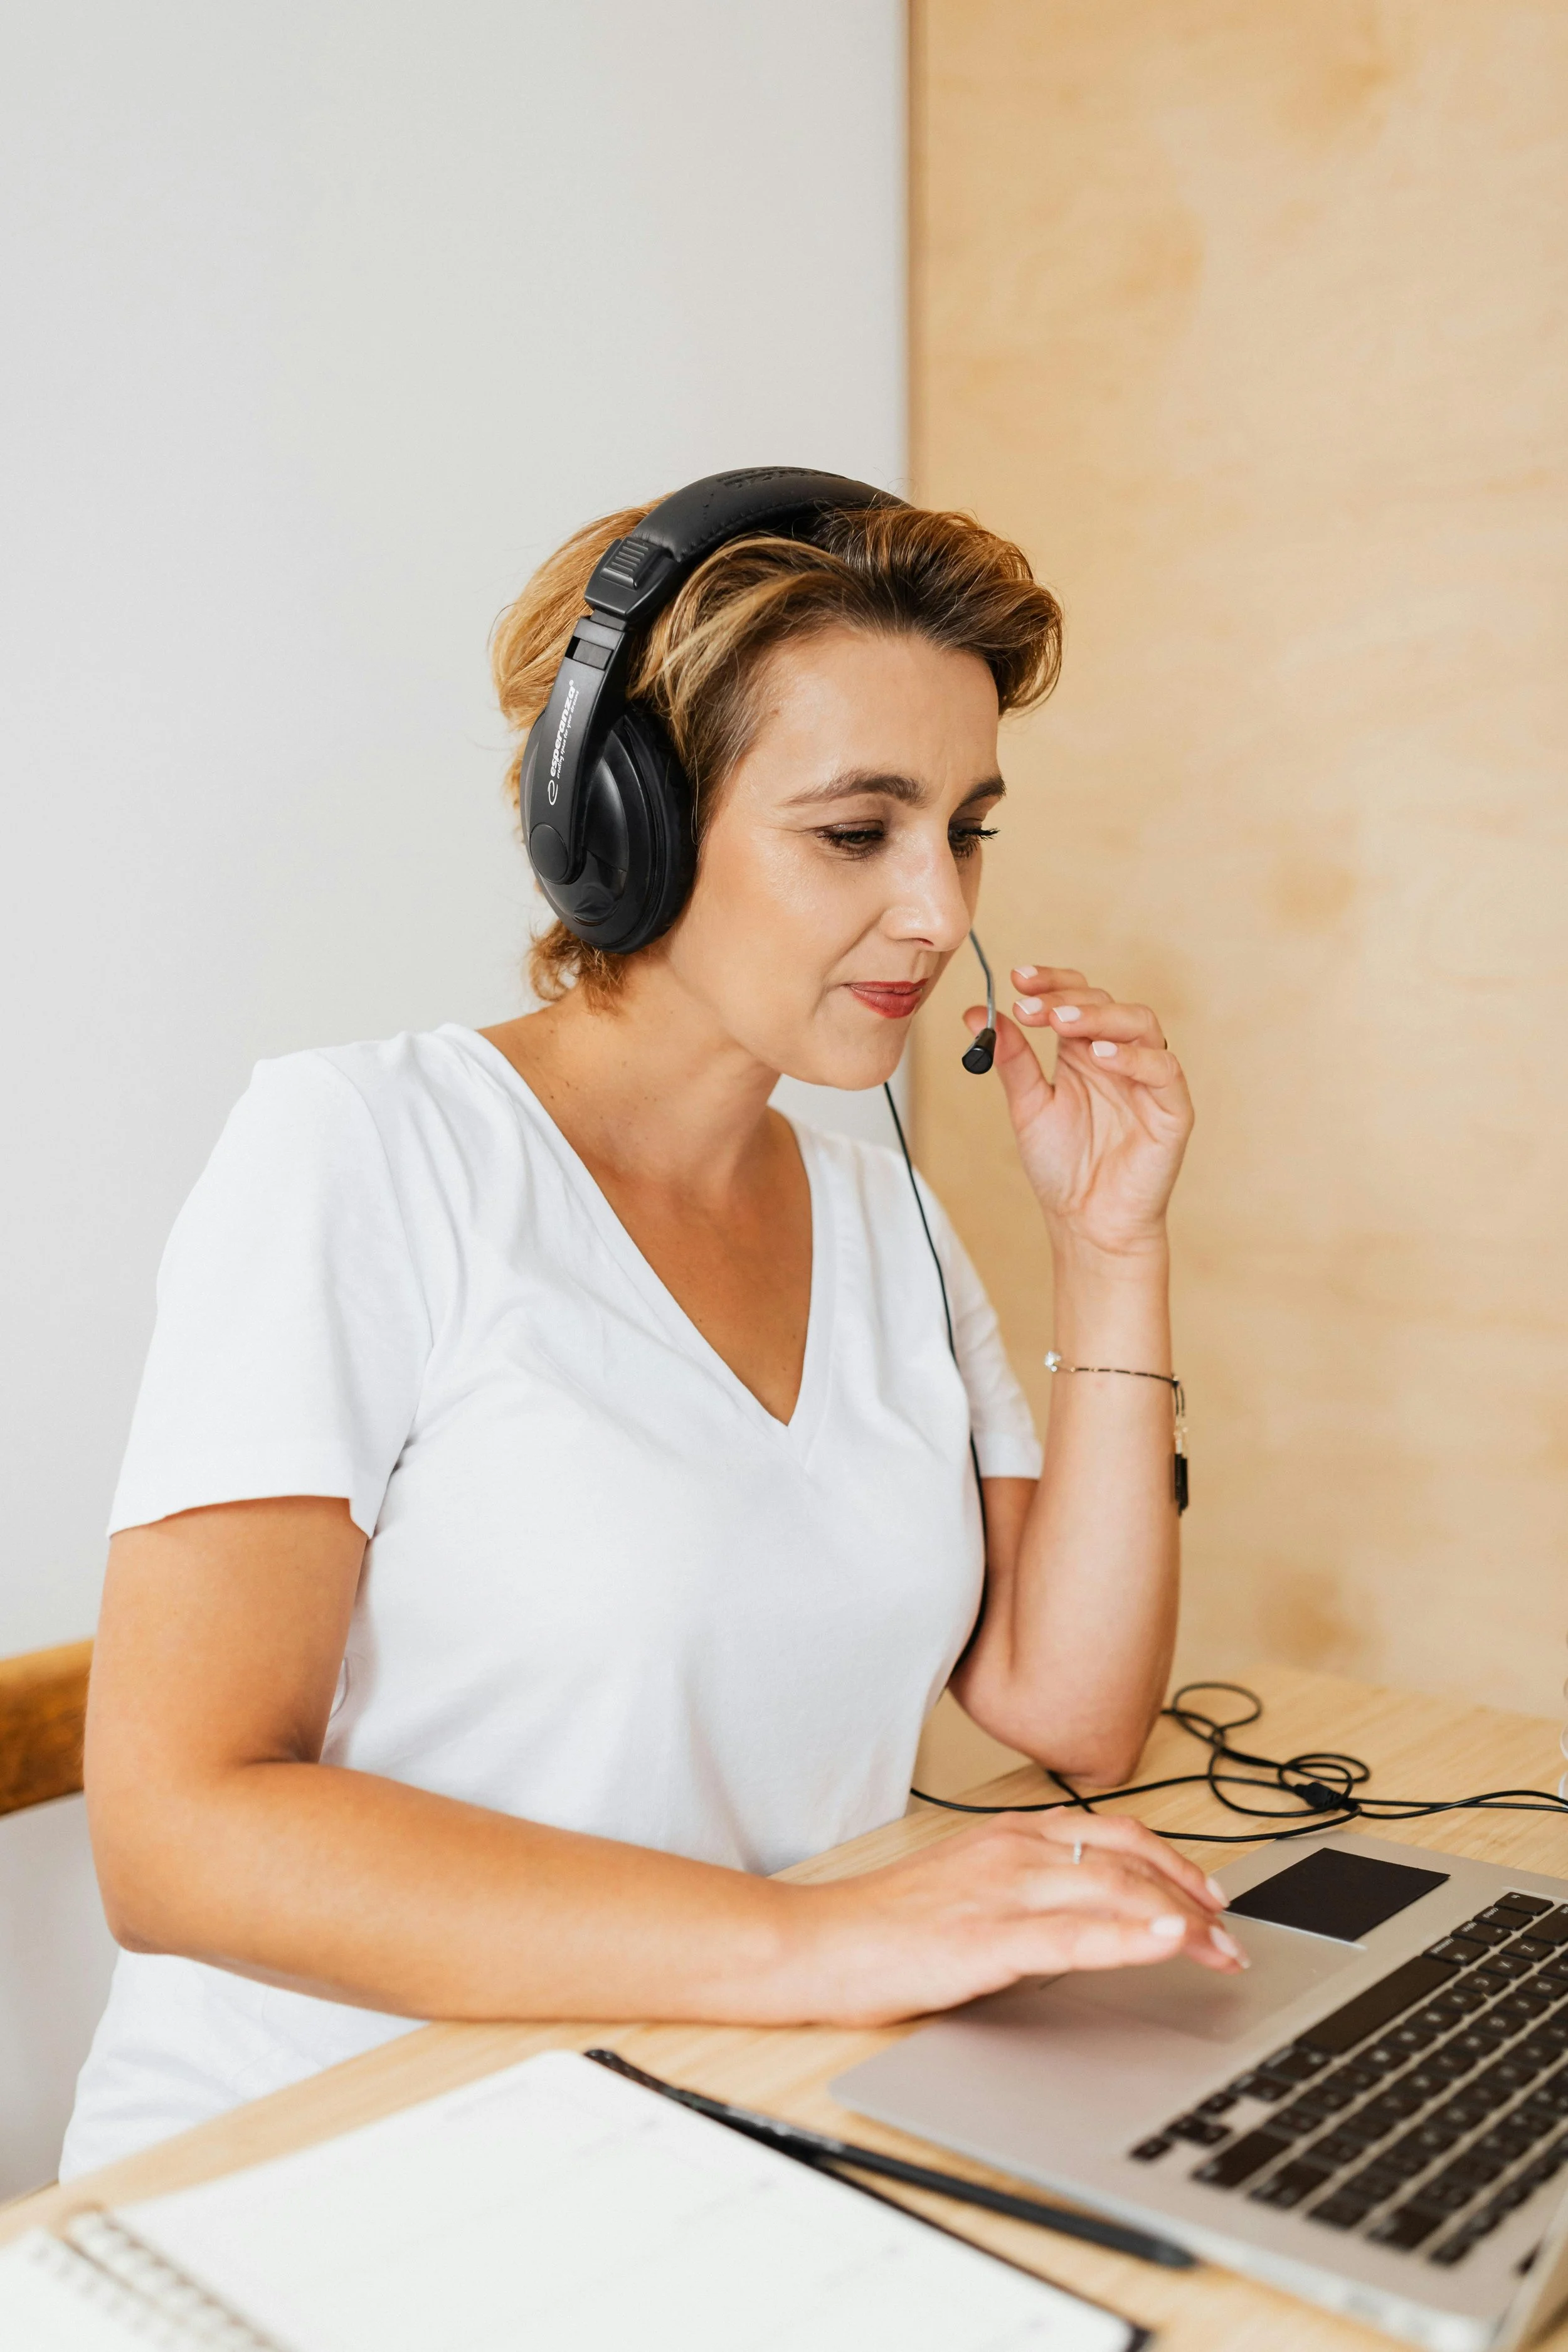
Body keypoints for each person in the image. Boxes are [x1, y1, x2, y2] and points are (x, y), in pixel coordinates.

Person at [64, 487, 1243, 2180]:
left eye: (965, 829)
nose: (935, 908)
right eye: (857, 831)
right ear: (620, 825)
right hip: (324, 2163)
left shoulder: (881, 1218)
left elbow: (1067, 1711)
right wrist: (825, 1946)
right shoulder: (367, 1151)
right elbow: (180, 1837)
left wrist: (1111, 1245)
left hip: (706, 2105)